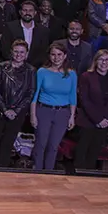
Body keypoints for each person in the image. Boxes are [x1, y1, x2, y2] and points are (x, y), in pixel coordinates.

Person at [0, 39, 35, 167]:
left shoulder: (31, 70)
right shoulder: (2, 66)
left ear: (26, 54)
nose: (19, 55)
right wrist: (5, 109)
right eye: (16, 52)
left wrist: (16, 111)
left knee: (8, 144)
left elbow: (30, 93)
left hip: (17, 114)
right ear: (11, 52)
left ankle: (3, 172)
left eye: (22, 52)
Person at [30, 42, 78, 171]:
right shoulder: (42, 72)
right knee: (40, 144)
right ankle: (37, 172)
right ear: (49, 56)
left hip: (63, 113)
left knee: (54, 145)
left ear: (65, 56)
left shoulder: (71, 74)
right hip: (43, 110)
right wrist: (33, 115)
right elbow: (34, 94)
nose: (56, 58)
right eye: (53, 55)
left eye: (59, 54)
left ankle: (49, 173)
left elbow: (73, 97)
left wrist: (72, 116)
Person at [74, 50, 108, 170]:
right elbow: (84, 100)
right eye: (101, 59)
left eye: (107, 60)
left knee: (95, 151)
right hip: (88, 121)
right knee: (82, 151)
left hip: (105, 122)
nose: (104, 62)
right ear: (95, 61)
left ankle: (89, 177)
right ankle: (77, 177)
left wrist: (107, 119)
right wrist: (98, 119)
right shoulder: (86, 76)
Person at [2, 0, 49, 67]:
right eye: (25, 10)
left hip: (35, 68)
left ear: (35, 12)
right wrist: (16, 63)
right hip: (13, 67)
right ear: (20, 12)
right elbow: (5, 49)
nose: (27, 13)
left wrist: (30, 67)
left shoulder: (43, 30)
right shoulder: (10, 27)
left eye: (30, 10)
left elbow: (44, 52)